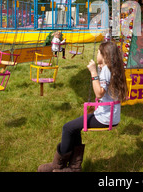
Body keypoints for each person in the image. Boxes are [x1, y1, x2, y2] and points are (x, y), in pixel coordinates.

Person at [38, 42, 128, 172]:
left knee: (67, 128)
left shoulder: (106, 70)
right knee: (74, 128)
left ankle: (58, 165)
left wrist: (93, 72)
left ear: (105, 55)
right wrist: (99, 68)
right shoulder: (112, 68)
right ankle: (74, 167)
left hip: (105, 117)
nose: (97, 54)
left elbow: (99, 93)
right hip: (112, 115)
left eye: (98, 52)